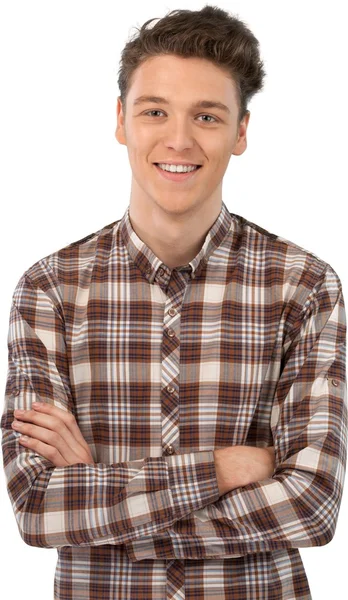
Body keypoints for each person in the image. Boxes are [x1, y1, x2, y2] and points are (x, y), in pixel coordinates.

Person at [1, 5, 346, 599]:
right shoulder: (50, 289)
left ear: (240, 132)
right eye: (154, 111)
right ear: (120, 120)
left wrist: (100, 494)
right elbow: (37, 510)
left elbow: (312, 508)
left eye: (206, 116)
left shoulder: (304, 286)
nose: (178, 140)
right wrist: (226, 468)